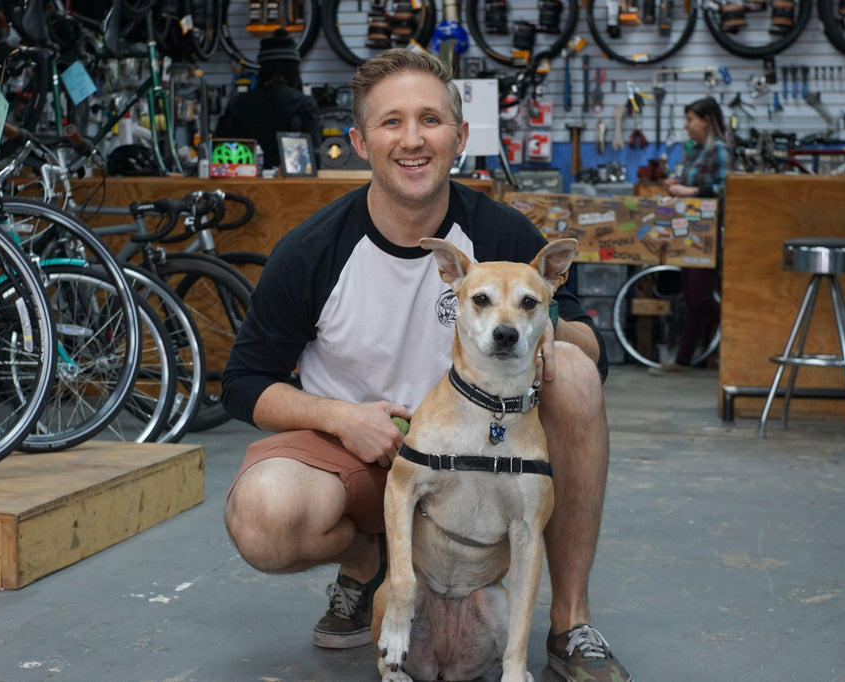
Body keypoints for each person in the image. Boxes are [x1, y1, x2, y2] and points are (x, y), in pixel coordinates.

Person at [221, 49, 632, 682]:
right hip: (361, 452)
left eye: (431, 120)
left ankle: (568, 623)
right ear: (360, 141)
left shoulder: (500, 235)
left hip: (477, 446)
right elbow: (243, 383)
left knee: (574, 369)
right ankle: (368, 563)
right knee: (264, 516)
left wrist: (547, 326)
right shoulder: (312, 251)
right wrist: (340, 417)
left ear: (460, 137)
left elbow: (586, 343)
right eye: (391, 123)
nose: (412, 140)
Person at [650, 96, 730, 375]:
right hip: (688, 232)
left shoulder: (718, 149)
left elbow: (726, 188)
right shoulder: (695, 151)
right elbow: (691, 182)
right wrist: (677, 184)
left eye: (690, 119)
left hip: (706, 234)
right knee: (693, 298)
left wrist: (690, 191)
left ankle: (738, 339)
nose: (686, 126)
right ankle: (683, 361)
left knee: (702, 297)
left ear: (706, 120)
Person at [213, 28, 322, 170]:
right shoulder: (304, 105)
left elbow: (219, 153)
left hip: (244, 184)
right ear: (294, 68)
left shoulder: (238, 103)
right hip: (292, 186)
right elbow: (313, 160)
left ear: (262, 68)